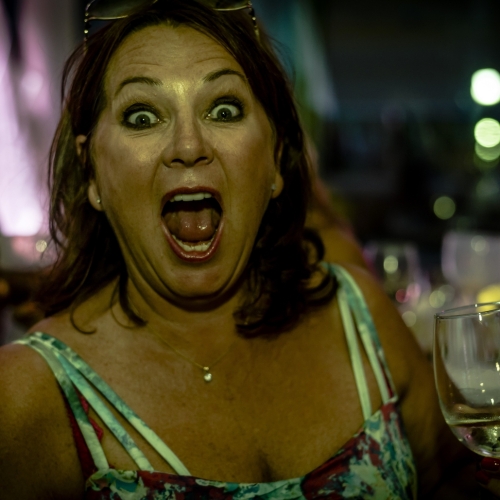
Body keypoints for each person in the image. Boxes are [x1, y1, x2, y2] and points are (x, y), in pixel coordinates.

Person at [0, 0, 494, 498]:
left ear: (275, 160)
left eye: (224, 109)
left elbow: (455, 480)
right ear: (92, 173)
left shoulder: (360, 319)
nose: (188, 145)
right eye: (143, 115)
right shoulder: (30, 397)